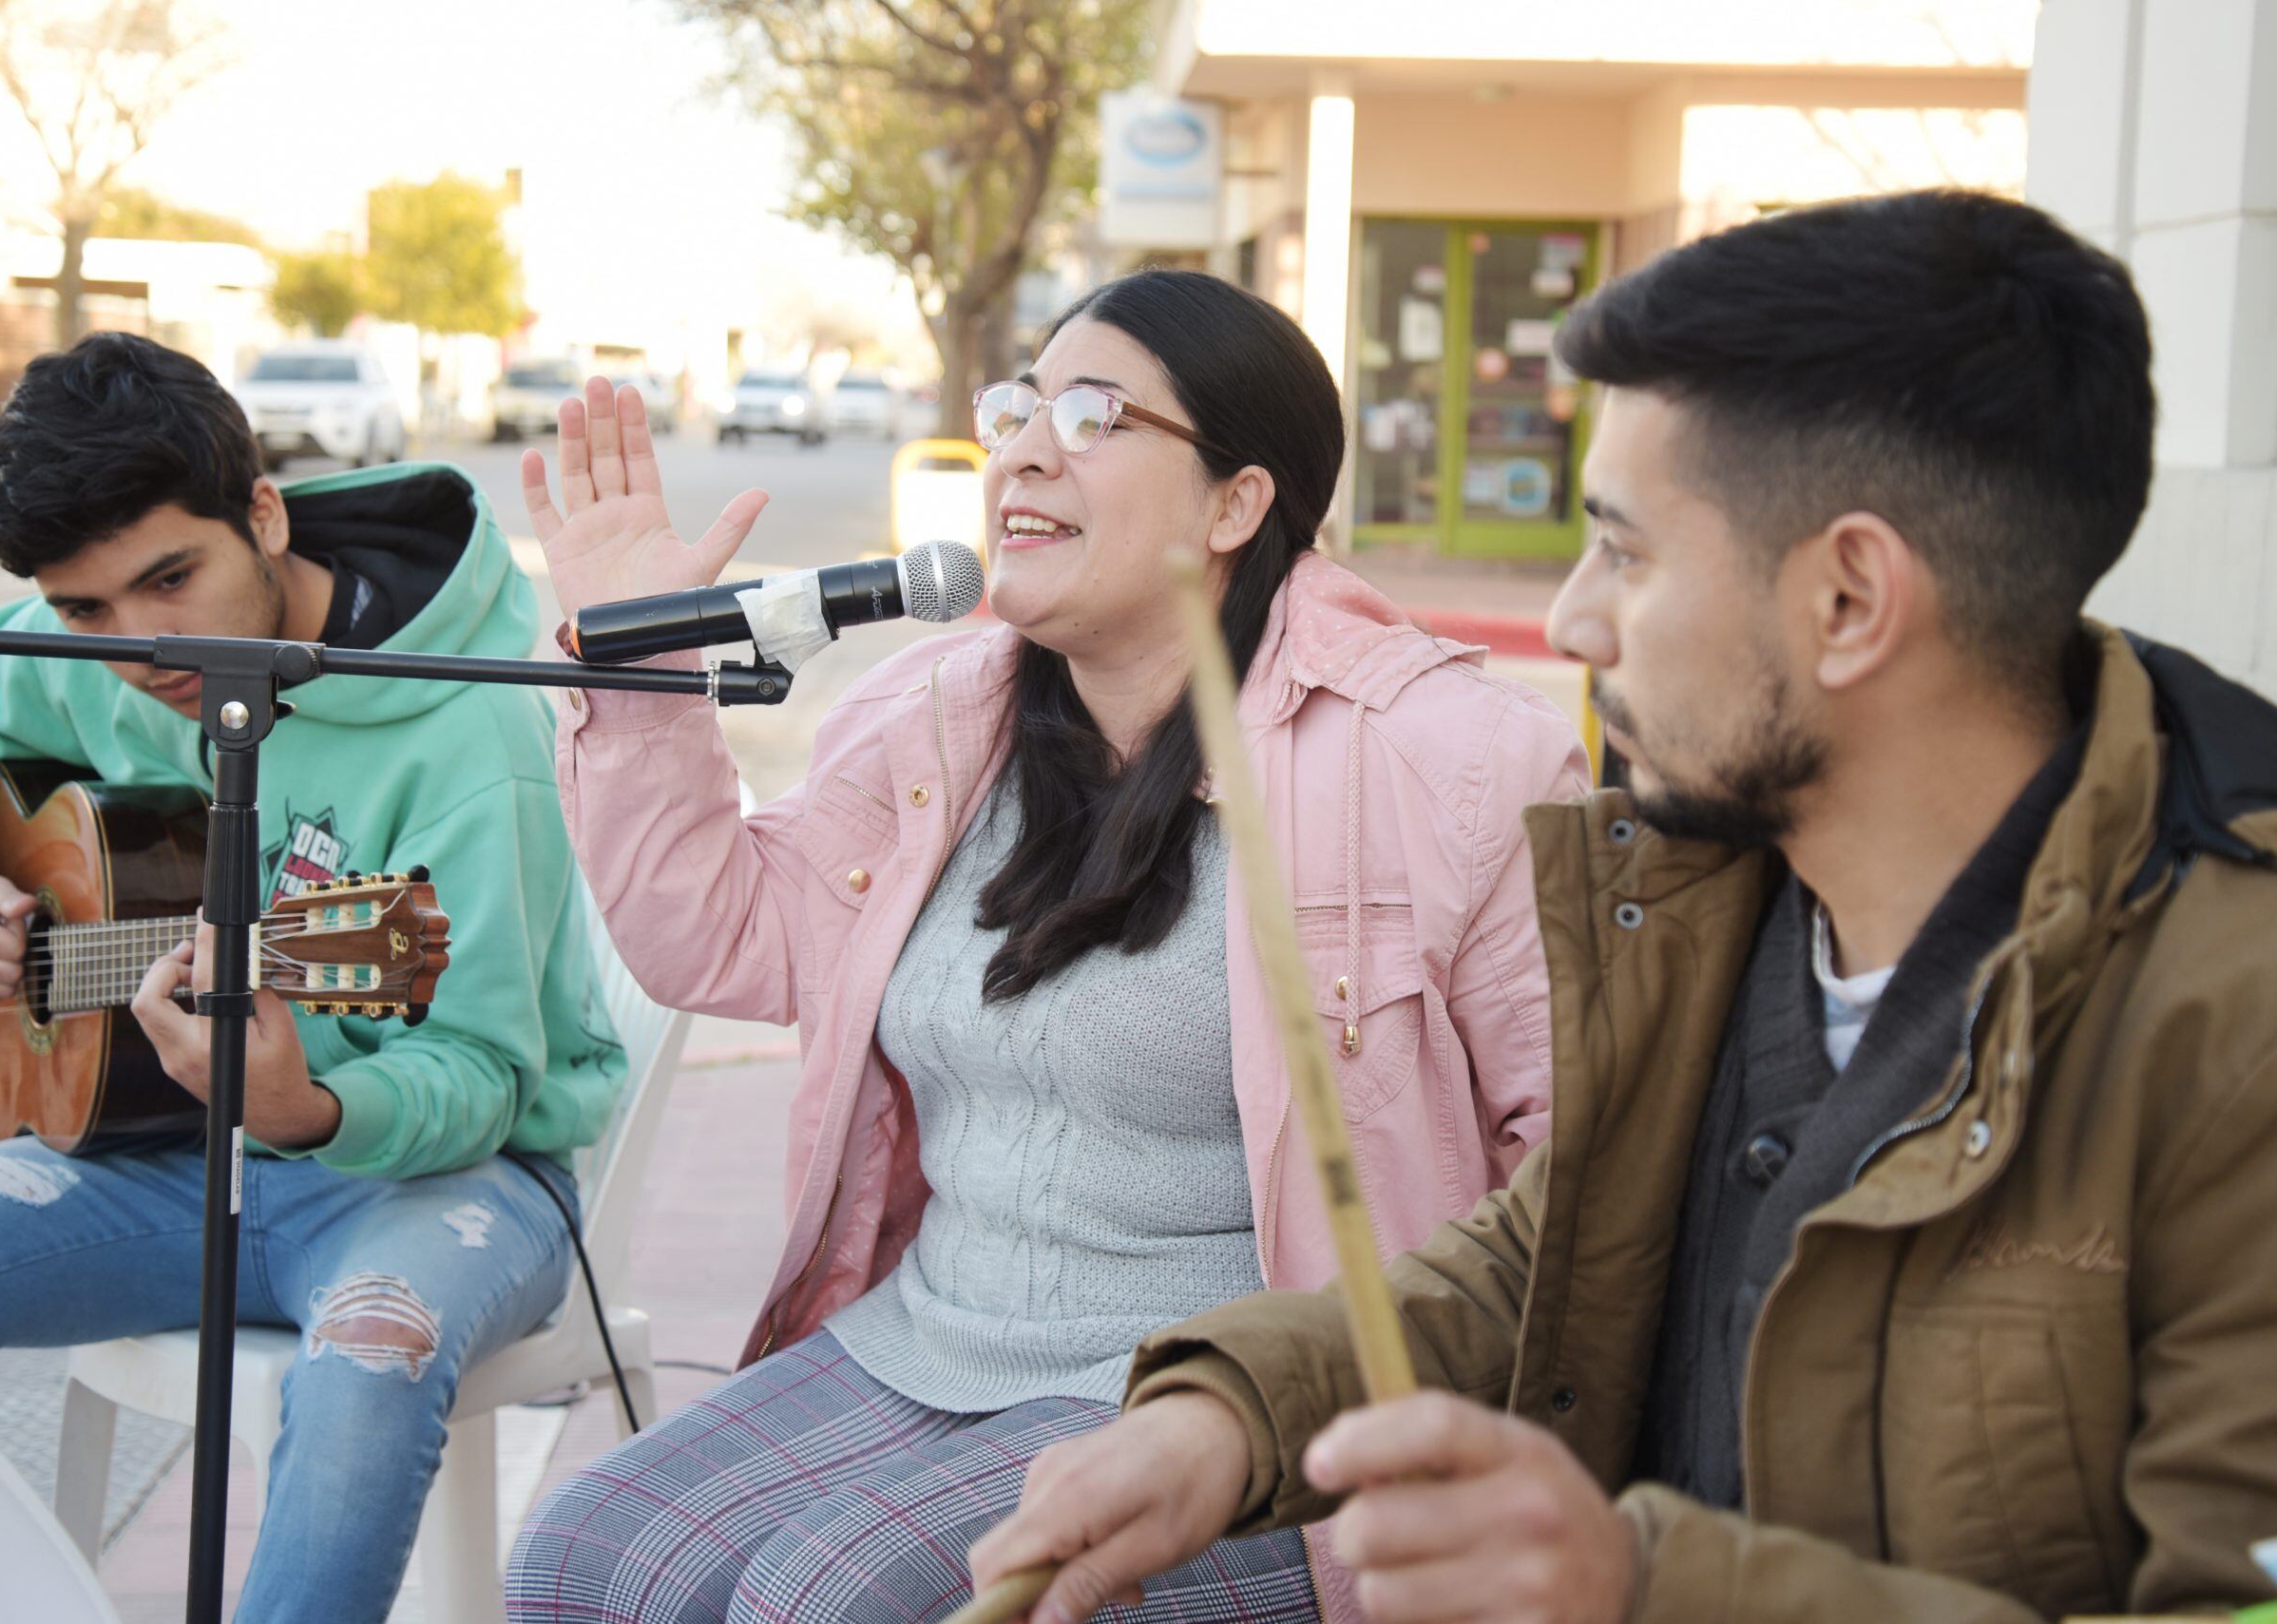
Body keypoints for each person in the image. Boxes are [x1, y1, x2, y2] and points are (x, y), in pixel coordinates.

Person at [966, 189, 2277, 1624]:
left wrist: (1646, 1585)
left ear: (1850, 598)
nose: (1577, 622)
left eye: (1628, 554)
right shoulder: (1709, 884)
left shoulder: (2235, 1031)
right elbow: (1549, 1250)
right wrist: (1228, 1417)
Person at [502, 269, 1588, 1622]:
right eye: (1016, 406)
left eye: (1092, 413)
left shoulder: (1451, 758)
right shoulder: (937, 719)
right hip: (930, 1333)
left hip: (1234, 1400)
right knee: (585, 1554)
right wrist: (636, 669)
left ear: (1235, 504)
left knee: (822, 1601)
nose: (1020, 446)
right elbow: (716, 937)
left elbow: (1578, 1167)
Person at [0, 333, 628, 1624]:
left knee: (370, 1365)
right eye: (85, 608)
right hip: (172, 1154)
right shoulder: (96, 657)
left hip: (442, 1177)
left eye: (171, 577)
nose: (139, 645)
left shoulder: (470, 730)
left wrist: (306, 1107)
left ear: (262, 511)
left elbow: (482, 1071)